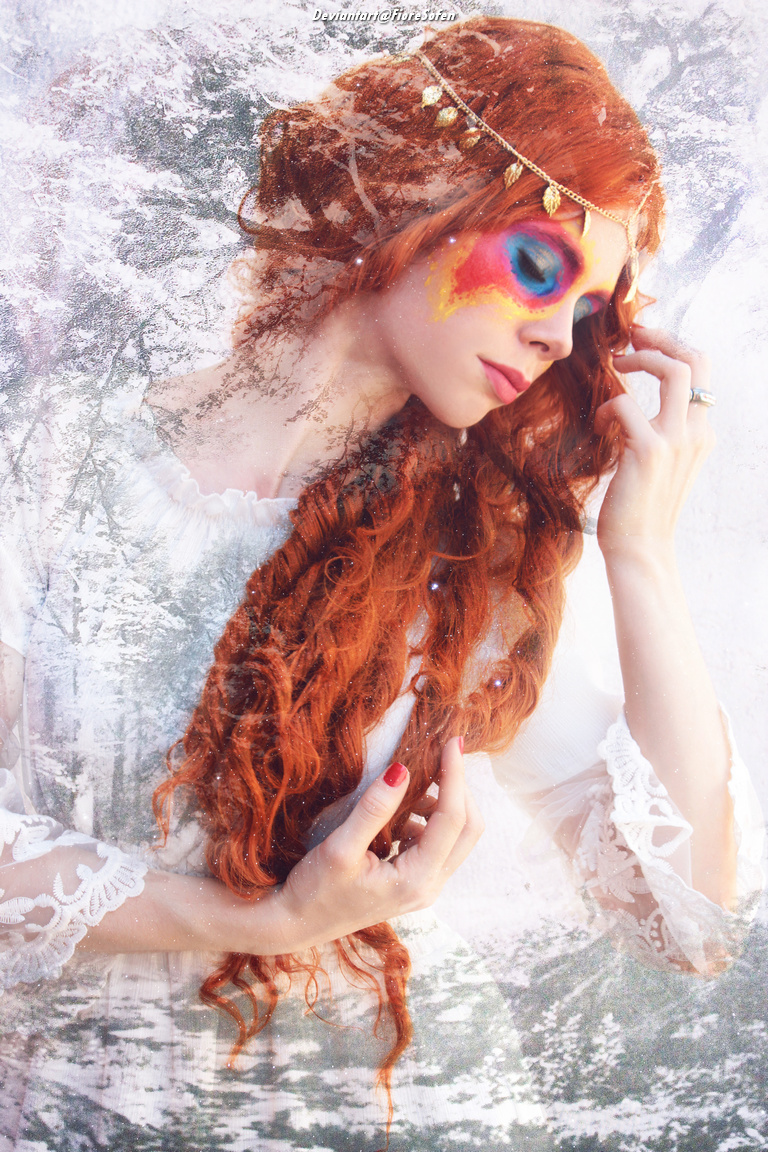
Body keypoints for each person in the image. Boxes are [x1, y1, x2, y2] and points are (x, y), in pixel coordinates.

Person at [0, 16, 763, 1151]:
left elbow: (687, 924)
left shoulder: (470, 564)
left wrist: (638, 553)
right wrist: (262, 914)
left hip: (406, 1115)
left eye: (587, 314)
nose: (559, 337)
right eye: (541, 267)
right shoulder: (50, 463)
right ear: (419, 189)